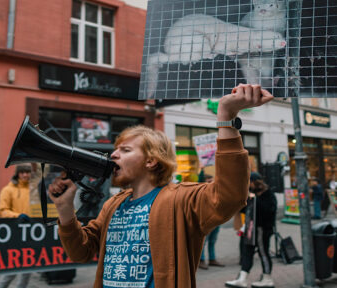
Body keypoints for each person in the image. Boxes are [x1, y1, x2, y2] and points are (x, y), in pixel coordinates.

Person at [49, 84, 273, 287]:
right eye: (116, 150)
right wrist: (65, 209)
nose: (113, 155)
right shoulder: (112, 205)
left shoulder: (182, 199)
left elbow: (230, 196)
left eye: (125, 150)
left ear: (151, 160)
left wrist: (226, 117)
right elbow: (81, 252)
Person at [225, 172, 277, 288]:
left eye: (249, 182)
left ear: (255, 182)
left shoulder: (268, 194)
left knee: (263, 252)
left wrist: (255, 200)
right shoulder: (251, 194)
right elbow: (246, 210)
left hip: (262, 229)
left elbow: (269, 210)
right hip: (250, 229)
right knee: (246, 252)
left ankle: (267, 278)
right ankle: (242, 278)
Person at [0, 163, 40, 288]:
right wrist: (17, 216)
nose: (25, 175)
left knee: (26, 272)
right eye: (22, 172)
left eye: (27, 172)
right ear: (17, 174)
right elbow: (2, 210)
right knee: (11, 270)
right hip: (15, 234)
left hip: (31, 235)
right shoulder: (8, 190)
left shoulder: (34, 190)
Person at [198, 174, 225, 270]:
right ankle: (201, 260)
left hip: (216, 220)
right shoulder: (201, 192)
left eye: (212, 181)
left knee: (213, 241)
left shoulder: (216, 192)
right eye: (208, 181)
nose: (211, 183)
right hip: (206, 220)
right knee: (203, 242)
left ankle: (212, 259)